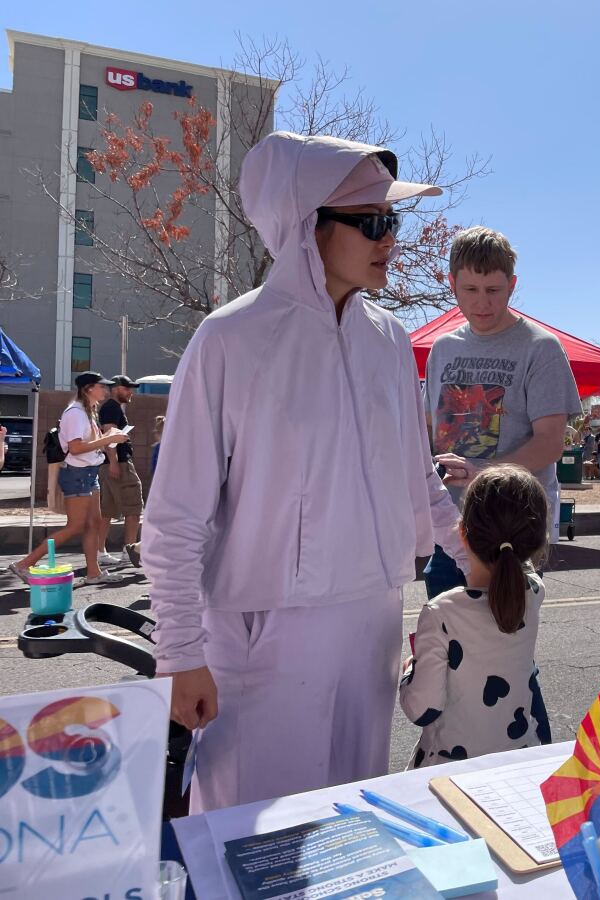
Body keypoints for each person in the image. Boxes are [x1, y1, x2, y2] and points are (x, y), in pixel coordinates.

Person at [141, 132, 468, 813]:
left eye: (392, 221)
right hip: (263, 633)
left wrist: (483, 560)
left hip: (372, 622)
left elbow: (421, 486)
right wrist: (179, 652)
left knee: (355, 827)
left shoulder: (389, 341)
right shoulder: (230, 338)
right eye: (371, 222)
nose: (389, 240)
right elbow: (175, 515)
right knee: (253, 836)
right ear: (304, 225)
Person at [422, 226, 581, 599]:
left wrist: (481, 474)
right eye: (470, 291)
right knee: (445, 645)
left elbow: (550, 443)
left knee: (504, 648)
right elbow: (428, 429)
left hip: (512, 526)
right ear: (451, 284)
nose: (482, 303)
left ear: (511, 285)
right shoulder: (442, 348)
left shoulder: (541, 348)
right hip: (449, 522)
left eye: (493, 290)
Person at [399, 465, 552, 766]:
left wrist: (408, 672)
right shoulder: (533, 591)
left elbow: (422, 708)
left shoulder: (441, 612)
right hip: (518, 758)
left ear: (462, 534)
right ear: (535, 543)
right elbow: (521, 557)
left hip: (452, 770)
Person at [9, 372, 129, 585]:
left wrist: (109, 439)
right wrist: (110, 438)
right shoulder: (75, 413)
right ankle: (24, 564)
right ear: (88, 389)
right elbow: (75, 448)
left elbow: (87, 443)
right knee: (75, 526)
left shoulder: (88, 410)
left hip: (88, 474)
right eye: (102, 386)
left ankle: (94, 573)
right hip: (77, 474)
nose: (106, 390)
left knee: (93, 523)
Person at [98, 374, 143, 567]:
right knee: (133, 508)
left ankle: (100, 552)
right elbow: (110, 435)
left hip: (108, 465)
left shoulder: (110, 408)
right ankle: (129, 551)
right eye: (127, 388)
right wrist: (115, 462)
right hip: (119, 464)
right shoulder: (111, 408)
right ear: (116, 388)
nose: (130, 392)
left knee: (107, 511)